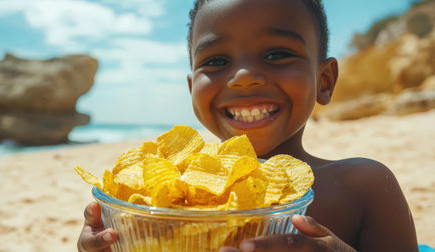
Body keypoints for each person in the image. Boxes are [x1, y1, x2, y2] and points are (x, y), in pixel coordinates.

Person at [77, 0, 419, 251]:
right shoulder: (153, 202)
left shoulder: (363, 186)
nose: (243, 78)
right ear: (191, 90)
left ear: (324, 81)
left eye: (276, 54)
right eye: (216, 61)